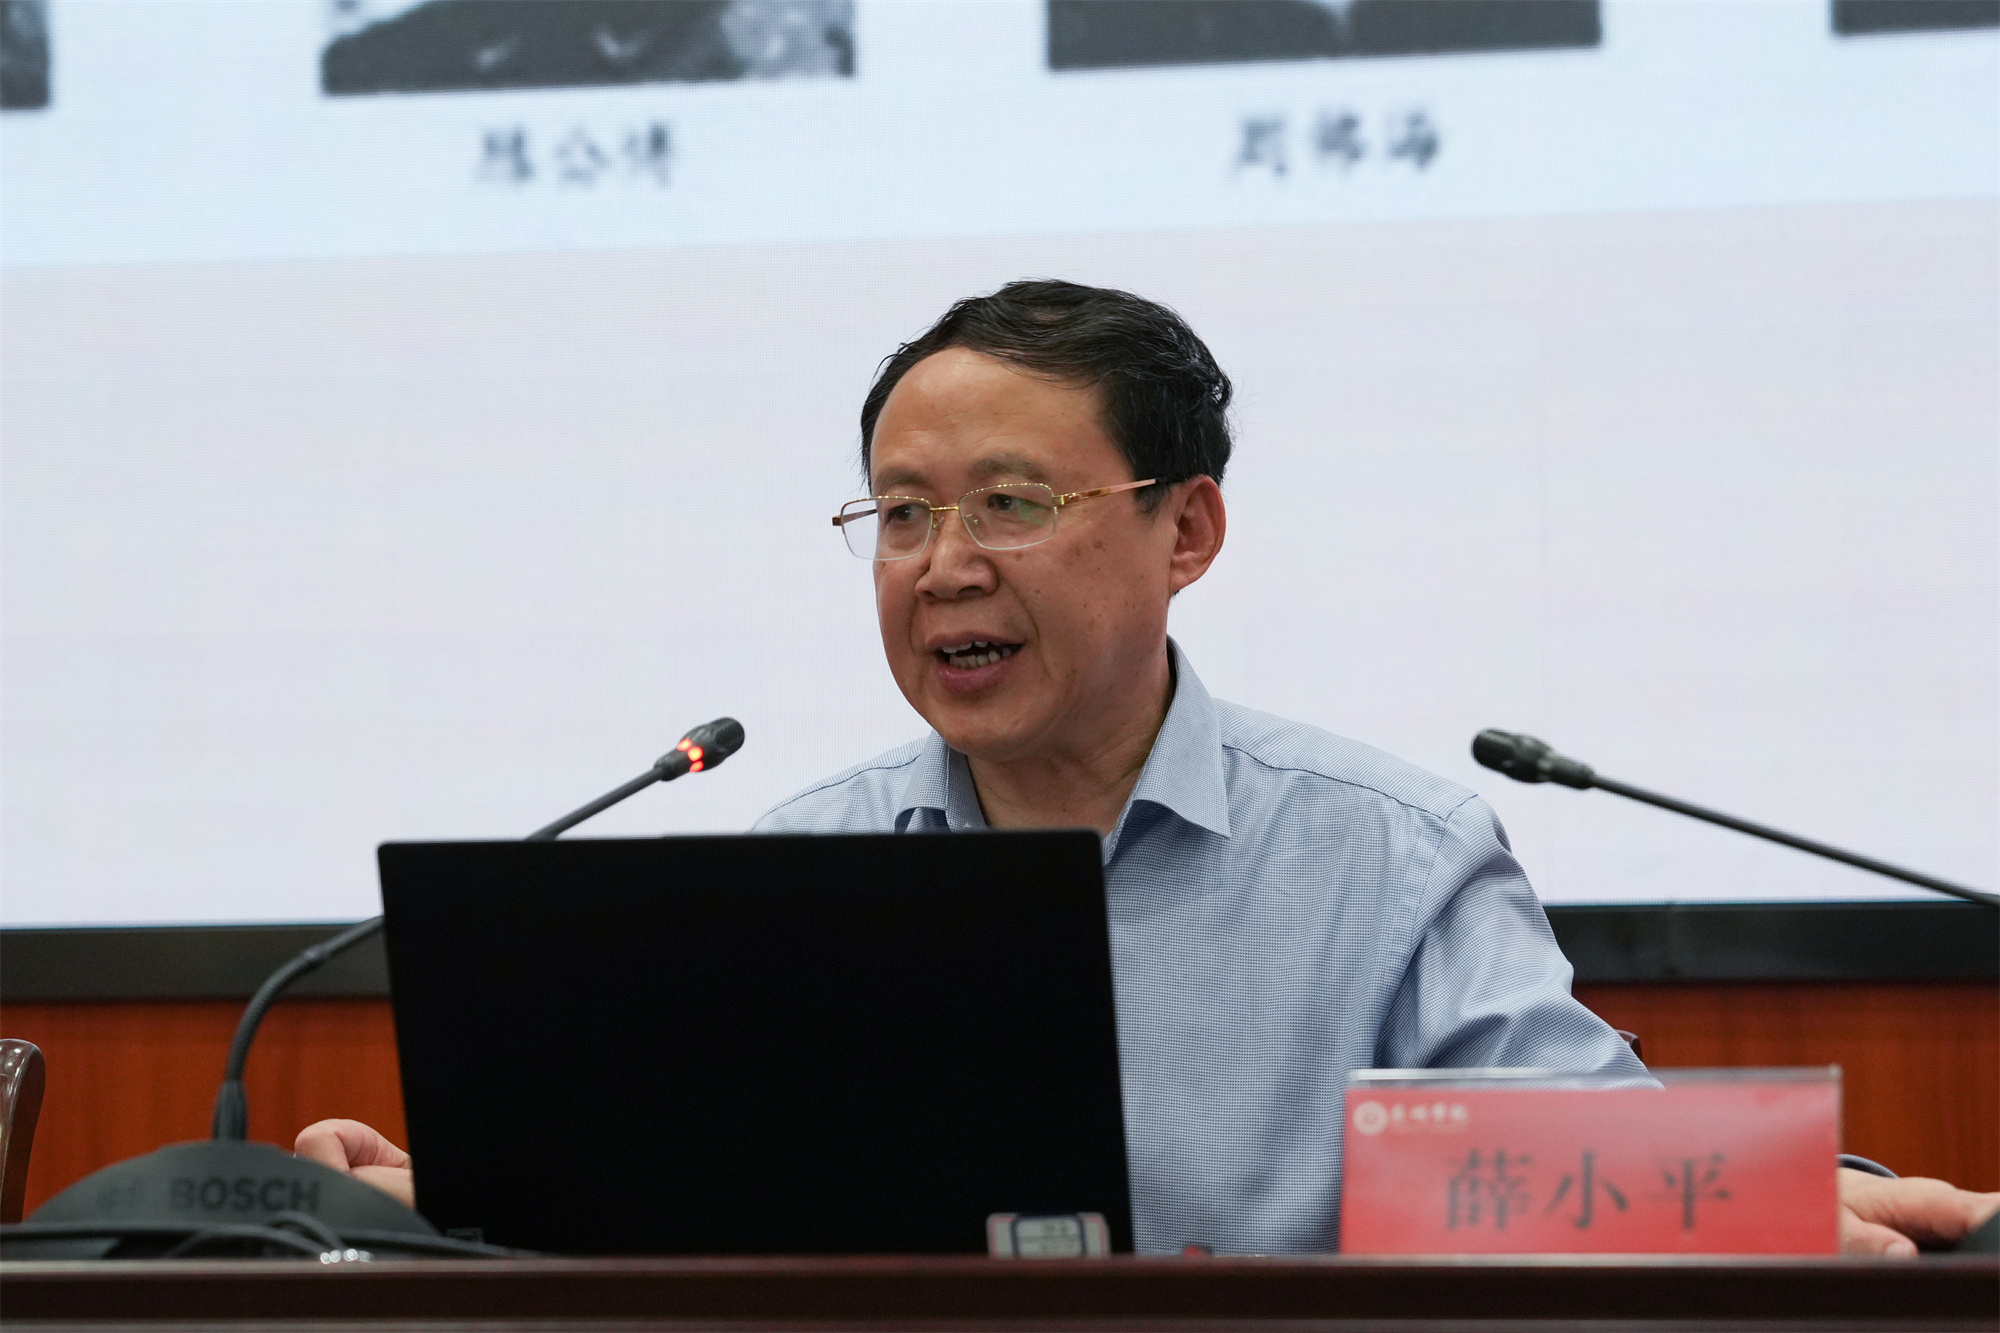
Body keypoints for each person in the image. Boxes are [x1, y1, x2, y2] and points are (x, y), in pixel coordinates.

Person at [300, 280, 2000, 1256]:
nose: (943, 565)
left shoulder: (1390, 854)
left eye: (1011, 503)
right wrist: (449, 1192)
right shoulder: (797, 863)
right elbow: (686, 1196)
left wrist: (1789, 1193)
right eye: (901, 514)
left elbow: (1582, 1159)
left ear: (1187, 531)